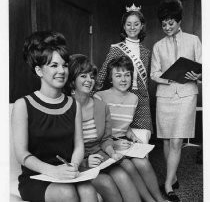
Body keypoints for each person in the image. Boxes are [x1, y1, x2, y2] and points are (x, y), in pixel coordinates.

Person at [11, 31, 98, 202]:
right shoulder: (23, 105)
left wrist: (73, 165)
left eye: (64, 65)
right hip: (37, 177)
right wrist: (53, 171)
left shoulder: (74, 105)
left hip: (66, 171)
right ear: (39, 70)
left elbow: (79, 145)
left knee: (88, 190)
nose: (61, 71)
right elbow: (22, 154)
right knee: (67, 193)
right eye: (53, 65)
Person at [67, 54, 142, 202]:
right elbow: (59, 148)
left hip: (101, 156)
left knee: (122, 175)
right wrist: (84, 162)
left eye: (91, 76)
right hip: (78, 163)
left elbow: (106, 138)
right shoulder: (64, 107)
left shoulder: (100, 105)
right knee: (107, 182)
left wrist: (112, 152)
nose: (89, 80)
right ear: (72, 79)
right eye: (83, 76)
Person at [94, 55, 168, 202]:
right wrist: (114, 143)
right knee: (128, 165)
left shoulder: (134, 98)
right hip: (105, 143)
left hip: (123, 141)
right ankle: (150, 200)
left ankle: (160, 199)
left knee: (143, 163)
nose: (123, 79)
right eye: (118, 75)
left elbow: (123, 124)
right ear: (110, 78)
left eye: (127, 75)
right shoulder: (99, 97)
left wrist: (132, 135)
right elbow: (97, 131)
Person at [150, 0, 202, 202]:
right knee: (166, 139)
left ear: (179, 21)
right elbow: (154, 73)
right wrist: (166, 77)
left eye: (171, 22)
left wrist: (198, 77)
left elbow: (203, 67)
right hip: (165, 96)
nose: (167, 27)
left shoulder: (194, 40)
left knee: (177, 141)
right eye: (163, 24)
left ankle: (167, 184)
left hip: (187, 95)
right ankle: (173, 176)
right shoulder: (157, 46)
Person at [96, 3, 152, 142]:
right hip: (120, 97)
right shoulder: (116, 49)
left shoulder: (146, 52)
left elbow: (147, 80)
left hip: (141, 101)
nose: (132, 28)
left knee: (142, 140)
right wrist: (87, 97)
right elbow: (103, 73)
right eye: (128, 24)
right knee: (120, 137)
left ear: (142, 26)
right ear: (124, 26)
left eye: (136, 24)